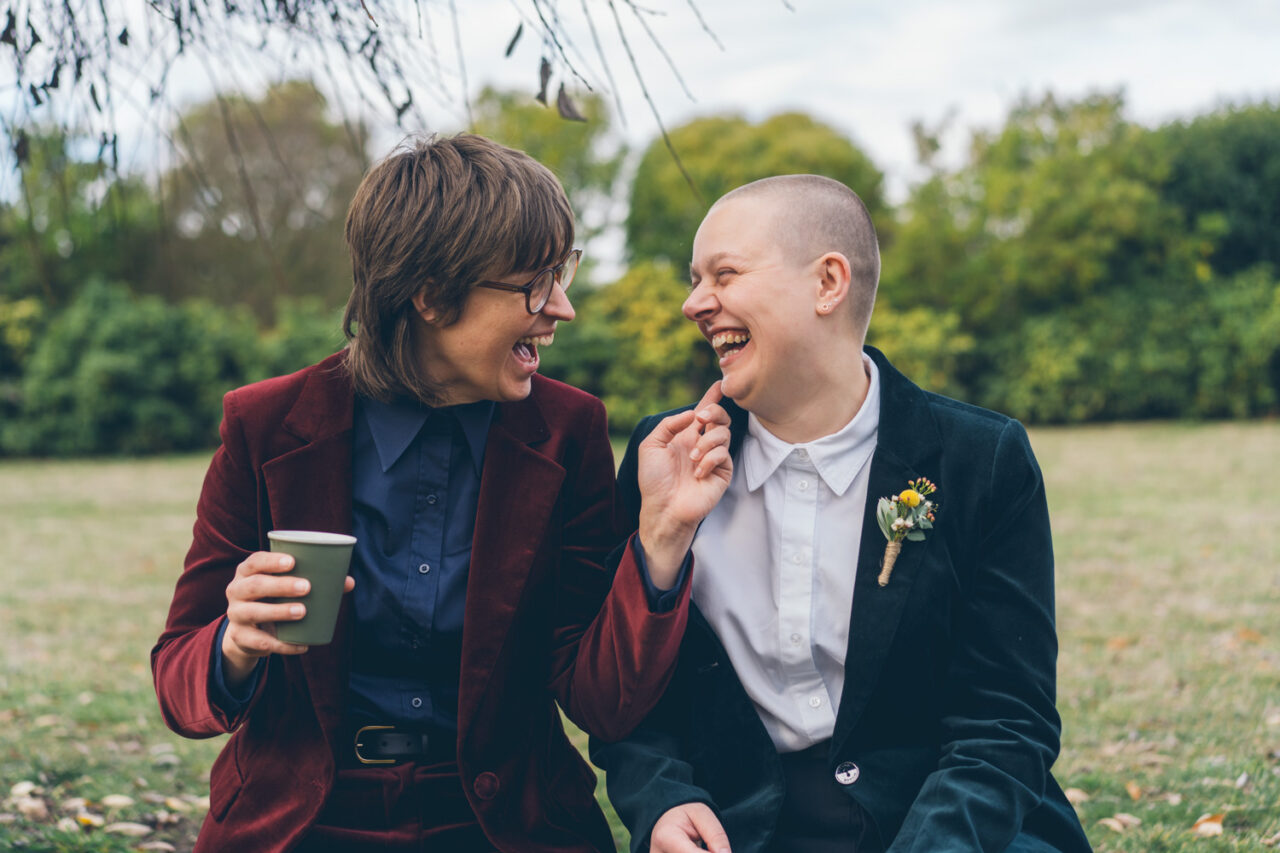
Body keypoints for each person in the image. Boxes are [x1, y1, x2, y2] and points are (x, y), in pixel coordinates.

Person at [151, 134, 731, 852]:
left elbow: (602, 702)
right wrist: (234, 643)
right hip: (303, 822)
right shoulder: (266, 426)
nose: (563, 307)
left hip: (506, 826)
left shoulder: (570, 432)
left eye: (562, 272)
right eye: (535, 282)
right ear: (430, 294)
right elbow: (177, 680)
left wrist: (663, 537)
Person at [590, 175, 1092, 853]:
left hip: (952, 828)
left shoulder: (982, 459)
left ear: (827, 283)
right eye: (695, 280)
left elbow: (1006, 720)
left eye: (724, 274)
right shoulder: (665, 457)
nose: (694, 303)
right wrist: (661, 798)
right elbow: (627, 695)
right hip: (743, 833)